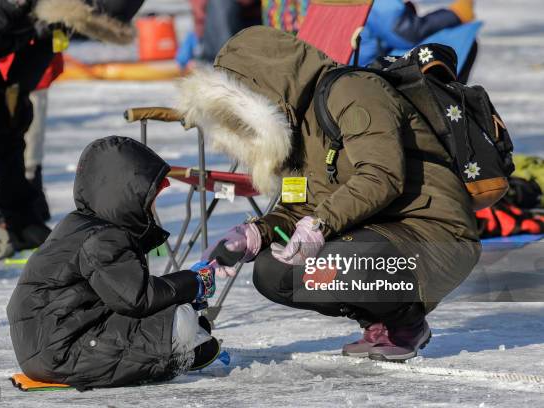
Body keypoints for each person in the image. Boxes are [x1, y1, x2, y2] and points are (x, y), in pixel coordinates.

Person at [177, 26, 481, 362]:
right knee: (272, 271)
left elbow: (382, 175)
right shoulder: (292, 128)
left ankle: (405, 323)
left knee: (340, 262)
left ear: (263, 87)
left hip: (432, 231)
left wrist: (319, 225)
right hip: (376, 231)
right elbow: (298, 208)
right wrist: (254, 233)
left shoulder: (354, 91)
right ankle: (377, 320)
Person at [0, 0, 145, 262]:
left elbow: (42, 48)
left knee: (8, 121)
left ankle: (21, 221)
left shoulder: (66, 9)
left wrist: (17, 92)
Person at [7, 136, 219, 388]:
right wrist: (193, 283)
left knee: (178, 317)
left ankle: (183, 344)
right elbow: (138, 298)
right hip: (64, 349)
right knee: (180, 320)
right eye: (149, 200)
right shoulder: (103, 238)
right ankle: (179, 351)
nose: (153, 209)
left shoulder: (82, 225)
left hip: (54, 340)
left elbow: (121, 298)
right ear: (125, 195)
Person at [358, 0, 477, 80]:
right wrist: (455, 15)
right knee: (461, 37)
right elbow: (406, 34)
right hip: (368, 72)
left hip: (351, 68)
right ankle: (448, 103)